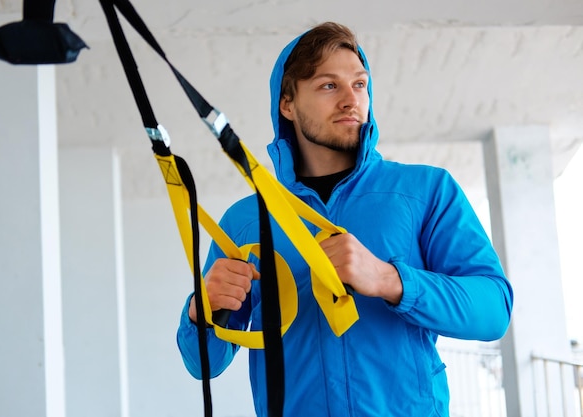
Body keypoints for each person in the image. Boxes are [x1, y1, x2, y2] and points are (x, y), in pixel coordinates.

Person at [177, 21, 513, 417]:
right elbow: (204, 364)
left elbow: (493, 311)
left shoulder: (425, 190)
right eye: (328, 85)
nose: (351, 100)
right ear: (287, 103)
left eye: (359, 84)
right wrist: (203, 309)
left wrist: (390, 280)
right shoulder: (247, 221)